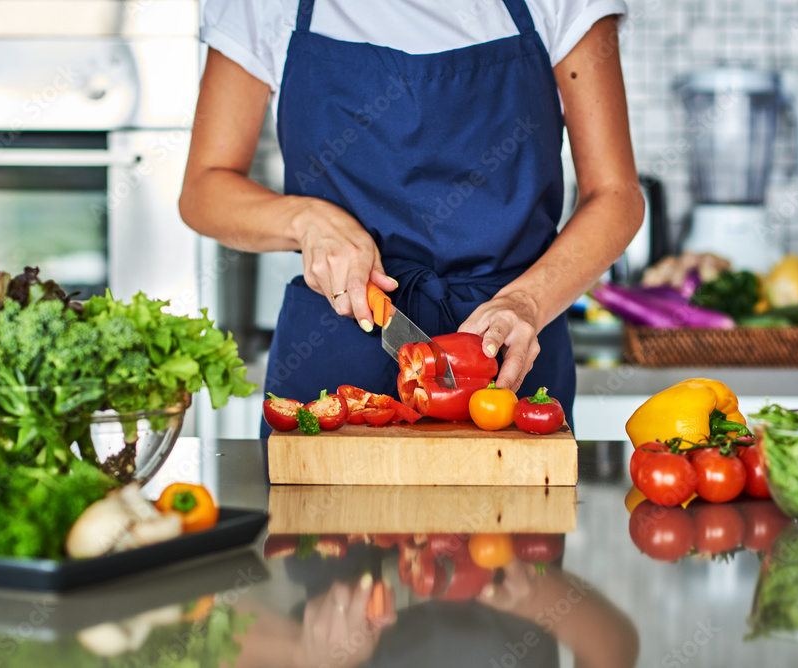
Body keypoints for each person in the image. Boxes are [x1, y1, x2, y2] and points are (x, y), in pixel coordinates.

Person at [179, 1, 643, 437]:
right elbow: (204, 189)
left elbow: (616, 195)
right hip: (338, 349)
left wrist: (526, 302)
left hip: (510, 355)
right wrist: (305, 219)